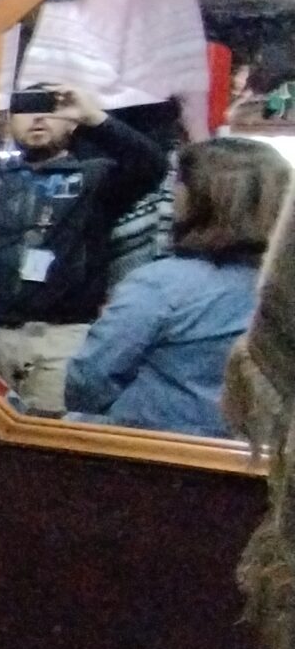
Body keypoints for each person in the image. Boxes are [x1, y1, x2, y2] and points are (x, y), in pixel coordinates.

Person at [68, 136, 291, 436]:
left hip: (147, 451)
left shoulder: (161, 285)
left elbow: (90, 377)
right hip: (249, 457)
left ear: (200, 196)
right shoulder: (282, 287)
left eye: (178, 182)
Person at [0, 78, 167, 414]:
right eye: (26, 107)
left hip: (64, 339)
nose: (38, 118)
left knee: (54, 441)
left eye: (50, 108)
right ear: (10, 118)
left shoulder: (96, 178)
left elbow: (151, 165)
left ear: (71, 119)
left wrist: (94, 117)